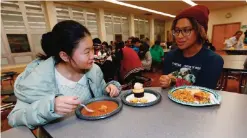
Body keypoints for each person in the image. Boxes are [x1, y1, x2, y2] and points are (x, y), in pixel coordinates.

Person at [8, 20, 121, 129]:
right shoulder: (38, 79)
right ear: (65, 56)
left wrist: (108, 88)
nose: (93, 56)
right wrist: (50, 107)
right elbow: (15, 118)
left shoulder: (94, 70)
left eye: (93, 49)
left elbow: (99, 93)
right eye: (87, 52)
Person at [159, 5, 224, 89]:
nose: (179, 36)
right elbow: (166, 87)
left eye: (186, 30)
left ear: (200, 31)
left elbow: (204, 94)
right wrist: (165, 82)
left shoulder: (213, 60)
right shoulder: (170, 56)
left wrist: (175, 80)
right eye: (177, 31)